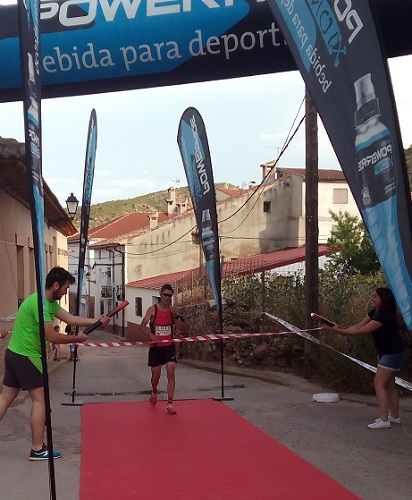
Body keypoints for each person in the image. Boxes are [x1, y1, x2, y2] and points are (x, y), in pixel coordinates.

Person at [0, 266, 111, 460]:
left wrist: (98, 320)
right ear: (56, 285)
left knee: (5, 399)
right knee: (39, 400)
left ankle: (37, 447)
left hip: (14, 353)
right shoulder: (41, 304)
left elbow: (71, 318)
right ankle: (37, 448)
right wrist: (77, 339)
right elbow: (52, 336)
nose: (66, 292)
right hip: (27, 356)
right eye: (65, 288)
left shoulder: (48, 302)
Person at [328, 287, 406, 429]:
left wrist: (339, 331)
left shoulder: (384, 317)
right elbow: (358, 326)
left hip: (392, 353)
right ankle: (395, 417)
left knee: (378, 383)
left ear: (384, 299)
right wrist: (343, 330)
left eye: (375, 296)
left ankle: (384, 420)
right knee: (389, 385)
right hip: (386, 352)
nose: (372, 298)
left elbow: (362, 332)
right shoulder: (374, 313)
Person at [140, 284, 185, 414]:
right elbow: (142, 326)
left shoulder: (173, 311)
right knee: (156, 377)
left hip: (169, 347)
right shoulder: (152, 310)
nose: (167, 298)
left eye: (170, 296)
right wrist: (151, 335)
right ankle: (154, 391)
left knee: (171, 371)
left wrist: (176, 317)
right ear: (160, 294)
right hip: (156, 348)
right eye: (165, 295)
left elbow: (182, 329)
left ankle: (170, 404)